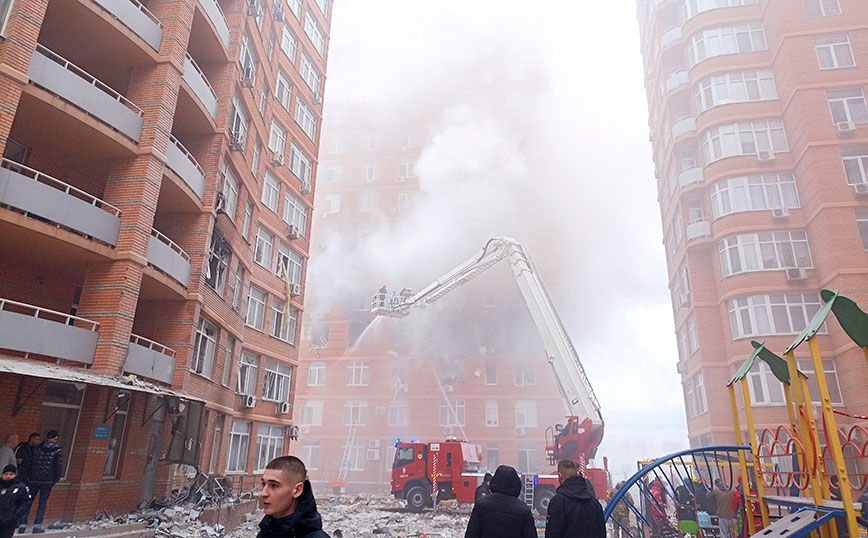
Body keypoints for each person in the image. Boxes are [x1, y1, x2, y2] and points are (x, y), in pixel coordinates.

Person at [257, 455, 329, 538]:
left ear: (297, 490)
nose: (263, 493)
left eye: (273, 485)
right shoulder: (265, 532)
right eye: (263, 484)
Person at [464, 465, 536, 538]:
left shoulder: (481, 505)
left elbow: (471, 534)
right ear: (516, 484)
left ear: (494, 482)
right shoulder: (523, 510)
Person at [545, 460, 605, 538]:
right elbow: (601, 533)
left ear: (560, 476)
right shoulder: (594, 503)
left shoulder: (558, 502)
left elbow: (553, 533)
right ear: (577, 474)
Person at [28, 431, 63, 534]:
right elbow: (58, 467)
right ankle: (37, 526)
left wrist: (31, 477)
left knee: (28, 501)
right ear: (55, 438)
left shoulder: (37, 447)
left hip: (34, 480)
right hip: (47, 482)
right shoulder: (58, 450)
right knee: (42, 504)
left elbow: (32, 463)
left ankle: (22, 524)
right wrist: (55, 480)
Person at [0, 465, 30, 538]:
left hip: (9, 521)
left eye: (11, 474)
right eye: (6, 474)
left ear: (15, 475)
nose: (8, 476)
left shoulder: (21, 487)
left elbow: (26, 503)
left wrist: (15, 515)